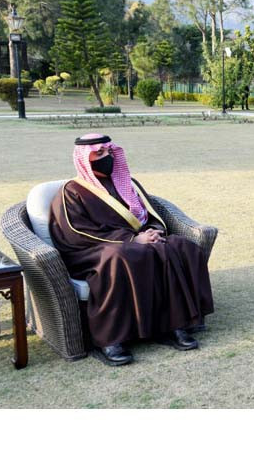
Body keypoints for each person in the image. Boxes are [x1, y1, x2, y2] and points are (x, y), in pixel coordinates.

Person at [49, 134, 214, 366]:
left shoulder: (127, 182)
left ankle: (174, 325)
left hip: (137, 241)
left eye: (109, 152)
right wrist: (132, 239)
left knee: (180, 247)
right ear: (84, 159)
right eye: (99, 154)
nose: (106, 157)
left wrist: (154, 232)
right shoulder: (72, 191)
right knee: (122, 257)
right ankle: (111, 339)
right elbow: (76, 232)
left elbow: (149, 215)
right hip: (92, 250)